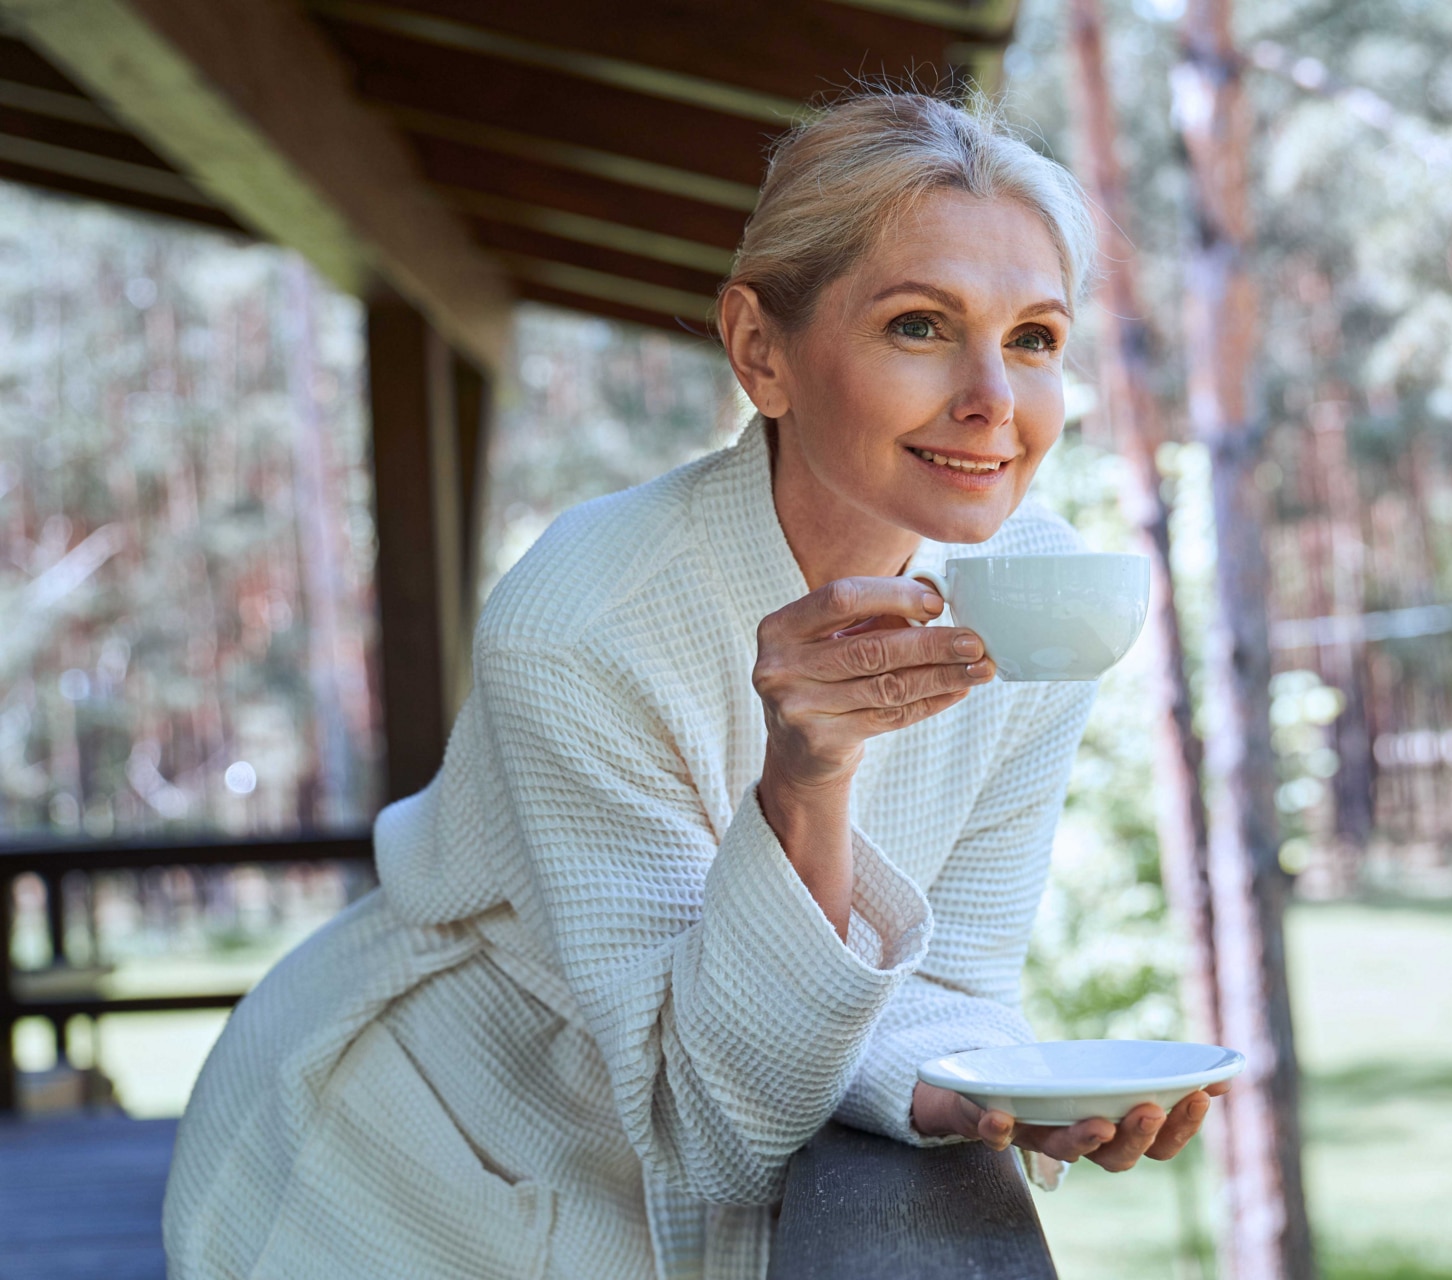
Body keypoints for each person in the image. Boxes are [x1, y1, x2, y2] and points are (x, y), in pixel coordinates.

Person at [163, 89, 1224, 1279]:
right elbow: (708, 1118)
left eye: (1034, 338)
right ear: (759, 350)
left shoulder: (1035, 596)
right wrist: (806, 783)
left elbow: (948, 981)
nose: (994, 399)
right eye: (921, 326)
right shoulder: (581, 619)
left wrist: (987, 1096)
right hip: (399, 1172)